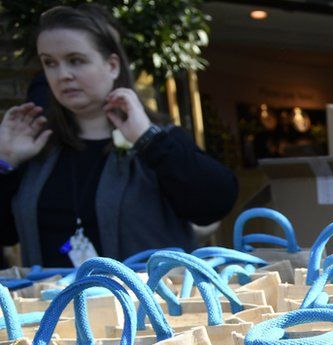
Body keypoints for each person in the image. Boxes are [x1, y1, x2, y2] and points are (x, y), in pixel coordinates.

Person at [0, 5, 237, 268]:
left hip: (144, 305)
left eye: (76, 60)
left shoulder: (157, 141)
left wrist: (147, 139)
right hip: (56, 306)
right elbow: (5, 233)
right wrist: (5, 161)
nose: (62, 75)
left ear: (112, 65)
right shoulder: (39, 149)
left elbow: (214, 203)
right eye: (50, 63)